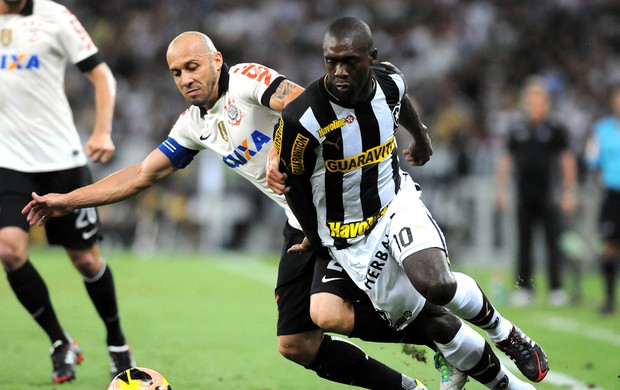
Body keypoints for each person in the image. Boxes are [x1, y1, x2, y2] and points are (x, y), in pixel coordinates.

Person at [22, 30, 537, 390]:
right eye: (176, 72)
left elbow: (298, 100)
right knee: (296, 342)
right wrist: (65, 199)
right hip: (303, 223)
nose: (185, 78)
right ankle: (418, 371)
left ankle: (452, 338)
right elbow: (139, 174)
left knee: (365, 304)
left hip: (349, 209)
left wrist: (279, 150)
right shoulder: (193, 126)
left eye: (193, 66)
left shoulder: (247, 79)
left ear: (217, 60)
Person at [273, 16, 548, 387]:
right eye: (330, 61)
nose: (339, 71)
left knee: (436, 284)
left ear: (371, 58)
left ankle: (505, 333)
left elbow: (400, 99)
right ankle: (506, 384)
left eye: (349, 61)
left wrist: (421, 138)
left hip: (395, 204)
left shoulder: (389, 80)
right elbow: (294, 185)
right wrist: (317, 237)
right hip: (350, 238)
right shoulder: (302, 118)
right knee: (431, 319)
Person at [0, 0, 135, 384]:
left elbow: (102, 75)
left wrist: (102, 129)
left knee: (86, 262)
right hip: (8, 161)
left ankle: (117, 341)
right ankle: (60, 341)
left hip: (61, 160)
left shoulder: (54, 16)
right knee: (8, 251)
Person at [495, 75, 578, 307]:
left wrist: (569, 191)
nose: (533, 101)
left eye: (538, 97)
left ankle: (556, 288)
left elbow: (567, 160)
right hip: (523, 194)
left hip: (549, 195)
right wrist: (500, 189)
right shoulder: (517, 128)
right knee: (524, 243)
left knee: (553, 242)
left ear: (546, 101)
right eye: (530, 97)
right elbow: (506, 159)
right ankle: (523, 287)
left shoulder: (555, 129)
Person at [585, 82, 620, 315]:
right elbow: (591, 160)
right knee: (609, 246)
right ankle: (609, 299)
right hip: (612, 194)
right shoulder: (602, 129)